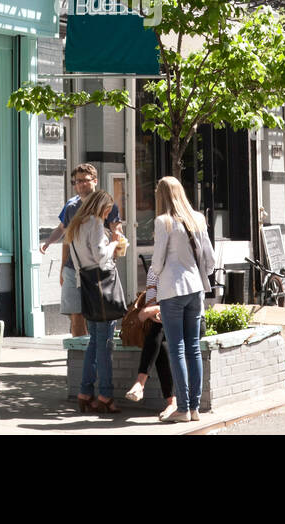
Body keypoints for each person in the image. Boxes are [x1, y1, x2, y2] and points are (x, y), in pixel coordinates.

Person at [146, 176, 215, 424]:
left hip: (172, 289)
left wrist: (156, 273)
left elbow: (157, 261)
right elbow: (210, 257)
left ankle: (183, 407)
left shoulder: (163, 221)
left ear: (161, 195)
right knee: (193, 347)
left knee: (176, 349)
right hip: (195, 287)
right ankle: (194, 407)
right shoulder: (197, 218)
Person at [40, 164, 121, 338]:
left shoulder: (107, 204)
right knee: (76, 314)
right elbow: (63, 233)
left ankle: (98, 350)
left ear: (95, 181)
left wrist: (116, 245)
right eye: (78, 181)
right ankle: (79, 354)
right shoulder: (71, 206)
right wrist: (49, 245)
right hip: (73, 269)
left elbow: (117, 231)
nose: (81, 184)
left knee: (100, 315)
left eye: (85, 180)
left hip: (98, 269)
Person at [67, 190, 124, 415]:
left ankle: (84, 391)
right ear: (101, 206)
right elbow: (102, 256)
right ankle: (106, 395)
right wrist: (115, 243)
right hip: (103, 286)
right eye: (108, 209)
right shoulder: (95, 223)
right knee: (105, 343)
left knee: (94, 341)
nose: (109, 213)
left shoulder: (76, 224)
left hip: (87, 286)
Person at [123, 303, 179, 421]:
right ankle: (172, 403)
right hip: (164, 323)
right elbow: (146, 309)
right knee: (160, 342)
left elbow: (182, 303)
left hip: (190, 321)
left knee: (157, 331)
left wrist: (156, 310)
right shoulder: (153, 284)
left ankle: (140, 383)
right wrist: (154, 314)